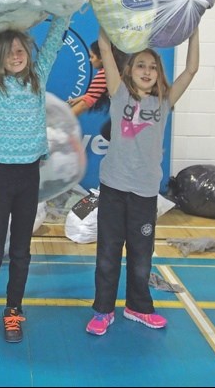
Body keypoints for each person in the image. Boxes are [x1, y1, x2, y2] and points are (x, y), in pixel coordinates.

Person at [0, 11, 70, 344]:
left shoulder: (37, 77)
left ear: (28, 50)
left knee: (22, 251)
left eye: (20, 48)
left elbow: (53, 43)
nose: (16, 55)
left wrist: (64, 10)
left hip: (27, 178)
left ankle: (13, 310)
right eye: (8, 50)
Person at [85, 26, 199, 337]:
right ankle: (102, 310)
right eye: (140, 65)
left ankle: (138, 307)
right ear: (129, 71)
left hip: (144, 194)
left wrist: (193, 28)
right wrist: (106, 16)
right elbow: (106, 50)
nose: (147, 71)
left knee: (140, 257)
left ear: (159, 73)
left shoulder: (164, 102)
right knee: (108, 254)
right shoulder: (119, 93)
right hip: (113, 190)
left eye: (152, 66)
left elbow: (191, 69)